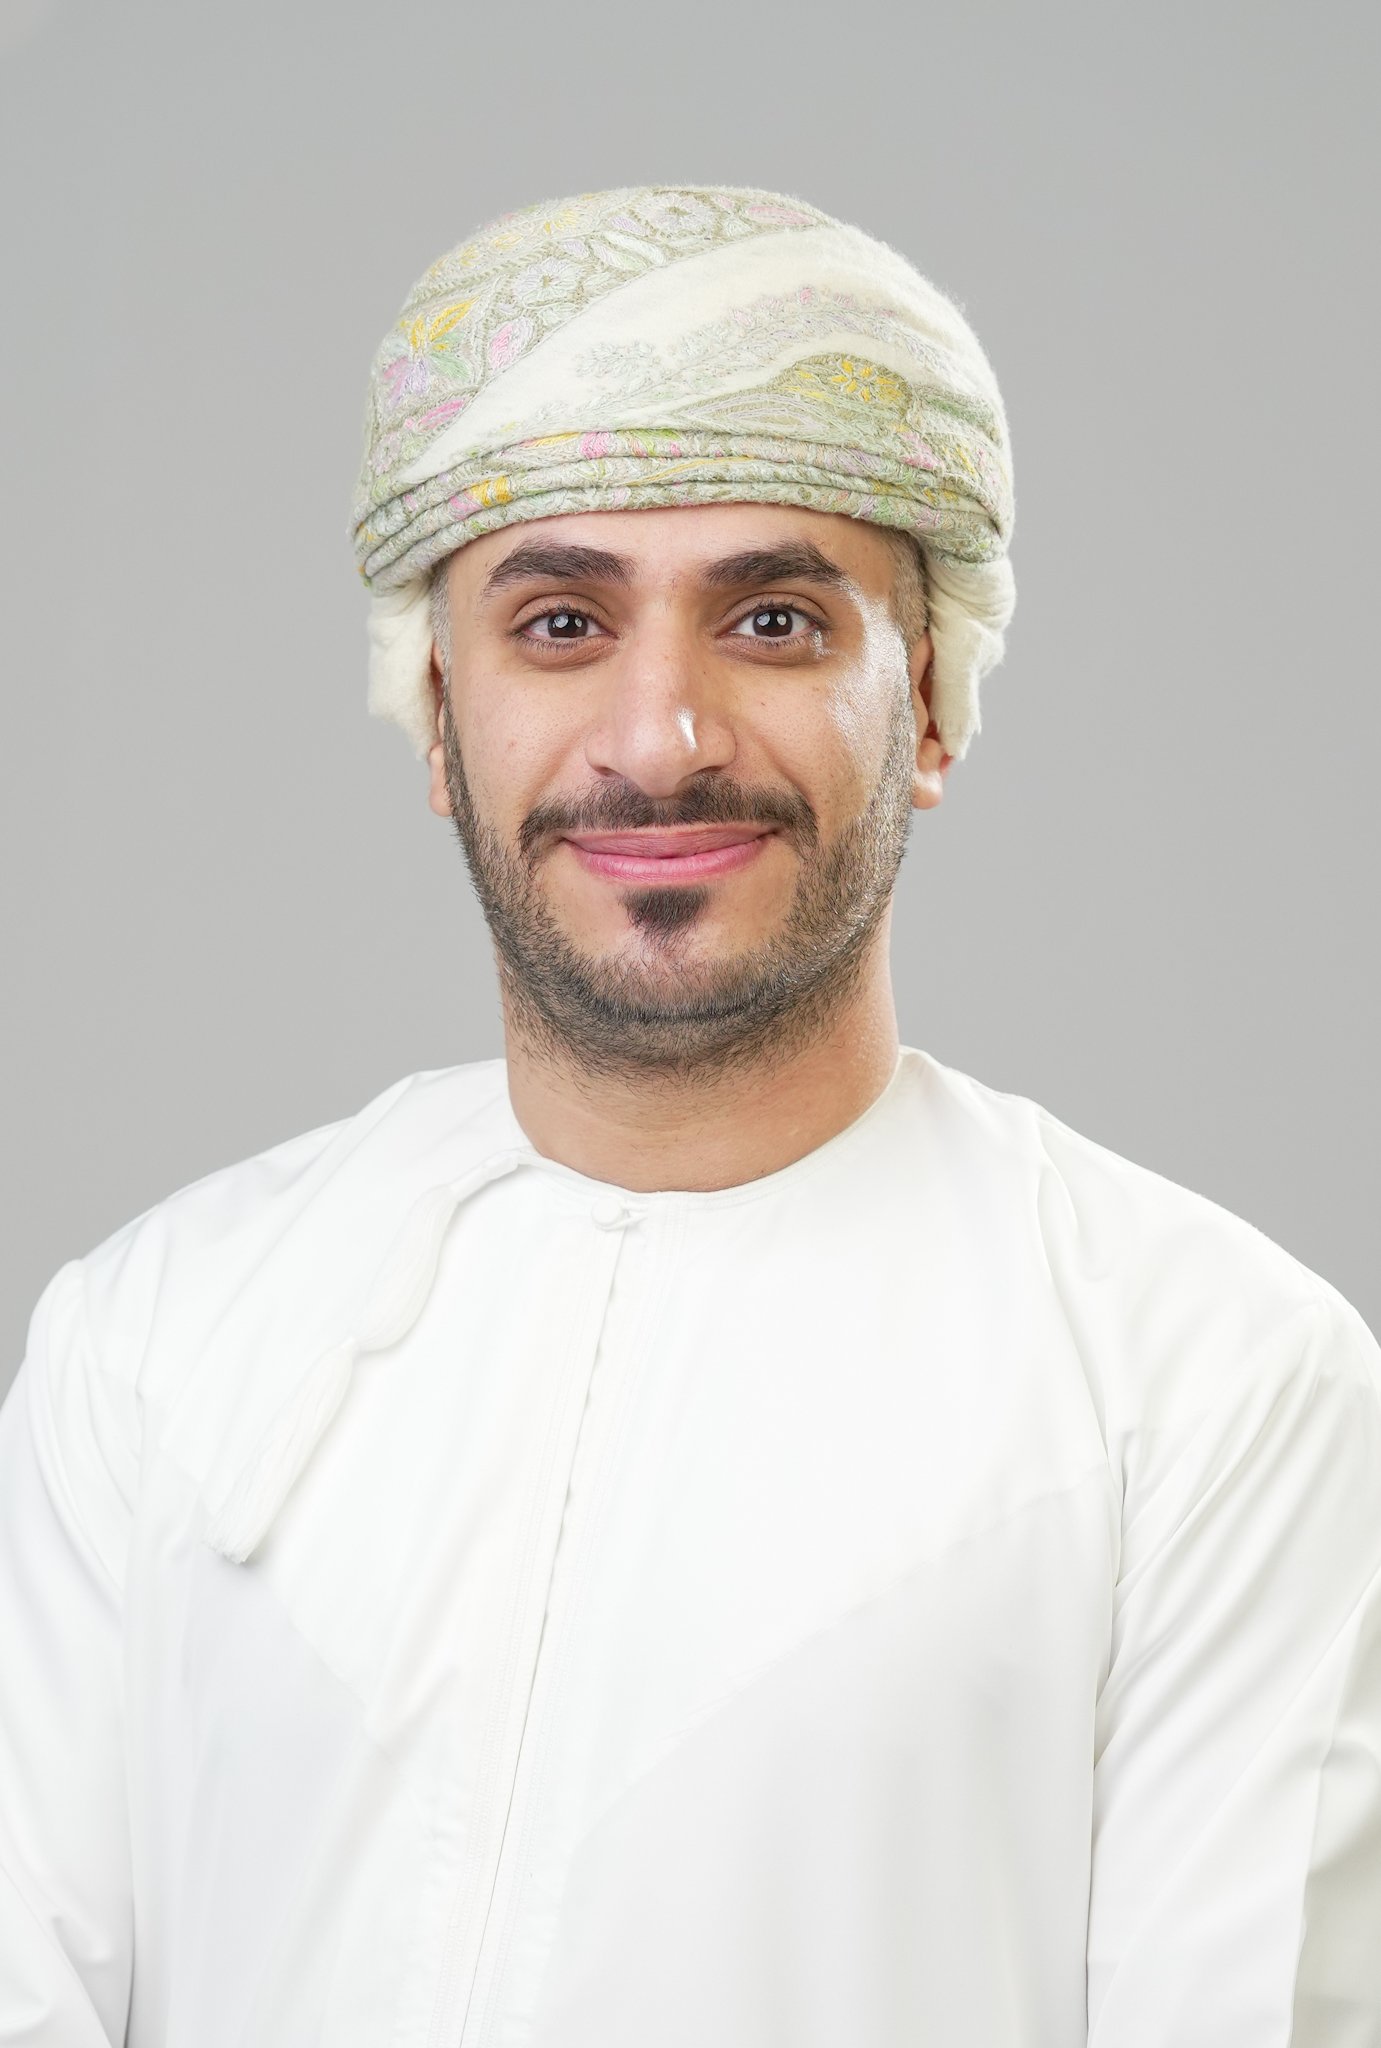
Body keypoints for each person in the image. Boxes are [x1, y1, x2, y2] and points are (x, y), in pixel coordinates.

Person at [1, 183, 1377, 2047]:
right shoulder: (155, 1344)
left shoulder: (1208, 1384)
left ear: (931, 704)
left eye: (776, 620)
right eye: (560, 621)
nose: (660, 737)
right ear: (436, 716)